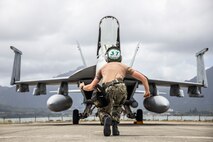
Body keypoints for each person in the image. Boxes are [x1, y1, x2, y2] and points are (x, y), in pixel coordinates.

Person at [80, 46, 150, 136]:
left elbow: (90, 87)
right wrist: (147, 91)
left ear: (107, 57)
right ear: (120, 57)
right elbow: (143, 78)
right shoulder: (124, 66)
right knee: (117, 108)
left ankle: (106, 118)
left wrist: (82, 86)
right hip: (122, 87)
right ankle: (115, 128)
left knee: (102, 109)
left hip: (108, 88)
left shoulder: (102, 68)